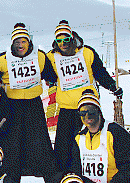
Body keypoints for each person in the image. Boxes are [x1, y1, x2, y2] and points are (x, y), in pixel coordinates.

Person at [0, 22, 60, 183]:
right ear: (12, 43)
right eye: (17, 42)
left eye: (24, 41)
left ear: (29, 42)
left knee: (41, 146)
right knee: (12, 149)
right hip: (11, 107)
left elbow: (52, 76)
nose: (20, 45)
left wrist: (53, 81)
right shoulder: (2, 59)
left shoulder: (40, 57)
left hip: (33, 106)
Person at [46, 20, 122, 171]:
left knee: (87, 141)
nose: (63, 44)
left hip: (88, 106)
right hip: (66, 107)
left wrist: (112, 86)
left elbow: (100, 73)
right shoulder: (52, 57)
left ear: (72, 38)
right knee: (63, 145)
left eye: (66, 39)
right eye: (59, 41)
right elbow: (46, 73)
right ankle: (63, 176)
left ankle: (89, 171)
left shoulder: (87, 52)